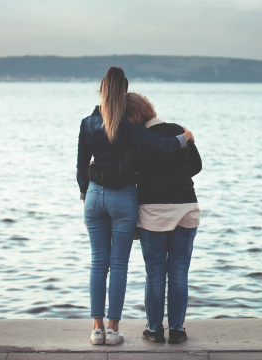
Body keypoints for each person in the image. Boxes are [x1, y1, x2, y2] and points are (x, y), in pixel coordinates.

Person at [77, 67, 195, 346]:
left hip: (94, 197)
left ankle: (96, 329)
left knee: (98, 263)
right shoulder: (128, 128)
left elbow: (82, 166)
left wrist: (85, 197)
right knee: (118, 265)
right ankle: (115, 330)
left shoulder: (87, 123)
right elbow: (163, 146)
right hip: (123, 198)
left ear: (101, 91)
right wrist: (185, 138)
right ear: (124, 92)